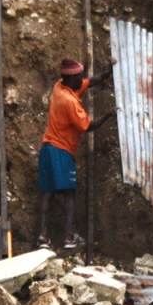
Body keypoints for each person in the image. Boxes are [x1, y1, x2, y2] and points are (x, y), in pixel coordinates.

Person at [37, 58, 115, 249]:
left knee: (47, 193)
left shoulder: (59, 87)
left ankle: (42, 236)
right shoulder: (70, 101)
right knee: (69, 194)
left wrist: (108, 72)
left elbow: (90, 82)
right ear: (71, 79)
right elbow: (87, 126)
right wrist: (109, 114)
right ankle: (68, 238)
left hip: (47, 149)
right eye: (79, 77)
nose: (82, 80)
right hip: (61, 151)